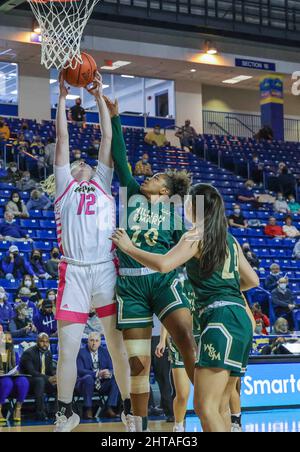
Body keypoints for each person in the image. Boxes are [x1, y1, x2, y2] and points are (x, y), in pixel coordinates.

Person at [112, 183, 258, 433]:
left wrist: (128, 248)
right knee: (222, 405)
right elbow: (252, 281)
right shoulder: (229, 239)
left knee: (205, 407)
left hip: (219, 318)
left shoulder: (195, 235)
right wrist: (223, 286)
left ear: (194, 205)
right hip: (241, 319)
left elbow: (164, 264)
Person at [43, 74, 130, 433]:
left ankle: (130, 408)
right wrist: (62, 98)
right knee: (67, 349)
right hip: (75, 270)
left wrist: (98, 97)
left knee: (116, 345)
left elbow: (107, 137)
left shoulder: (101, 181)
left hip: (105, 269)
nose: (82, 162)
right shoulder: (64, 186)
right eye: (78, 163)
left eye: (87, 163)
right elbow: (62, 138)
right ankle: (65, 412)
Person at [106, 96, 197, 433]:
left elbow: (190, 253)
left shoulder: (174, 218)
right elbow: (120, 158)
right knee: (138, 361)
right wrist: (115, 118)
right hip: (130, 284)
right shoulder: (130, 193)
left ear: (166, 190)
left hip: (163, 281)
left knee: (186, 336)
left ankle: (207, 403)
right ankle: (139, 426)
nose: (148, 176)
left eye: (156, 176)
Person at [156, 278, 200, 432]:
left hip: (203, 339)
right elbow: (168, 317)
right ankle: (178, 426)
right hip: (179, 340)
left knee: (205, 391)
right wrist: (162, 340)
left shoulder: (207, 282)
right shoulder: (178, 284)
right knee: (182, 393)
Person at [76, 332, 120, 419]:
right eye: (91, 340)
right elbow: (80, 371)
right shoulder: (81, 352)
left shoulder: (105, 352)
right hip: (84, 384)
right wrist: (97, 374)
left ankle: (109, 408)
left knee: (116, 378)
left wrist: (109, 373)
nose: (94, 343)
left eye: (96, 341)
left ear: (100, 342)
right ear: (87, 341)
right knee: (88, 378)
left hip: (102, 383)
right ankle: (88, 409)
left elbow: (112, 368)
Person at [19, 333, 57, 421]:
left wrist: (55, 377)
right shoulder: (28, 353)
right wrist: (48, 378)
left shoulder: (48, 354)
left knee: (60, 384)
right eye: (42, 341)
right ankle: (40, 413)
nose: (45, 344)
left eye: (47, 342)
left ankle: (57, 413)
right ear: (37, 342)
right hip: (29, 382)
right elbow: (31, 372)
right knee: (40, 381)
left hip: (43, 381)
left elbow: (50, 371)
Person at [0, 331, 30, 423]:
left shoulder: (14, 353)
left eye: (9, 339)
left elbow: (17, 367)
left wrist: (17, 371)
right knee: (7, 383)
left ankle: (18, 409)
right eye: (4, 339)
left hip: (11, 376)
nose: (7, 341)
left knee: (23, 382)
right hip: (2, 378)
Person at [148, 316, 174, 422]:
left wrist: (165, 341)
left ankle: (170, 412)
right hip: (143, 337)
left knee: (164, 378)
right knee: (141, 377)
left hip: (160, 338)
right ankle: (146, 408)